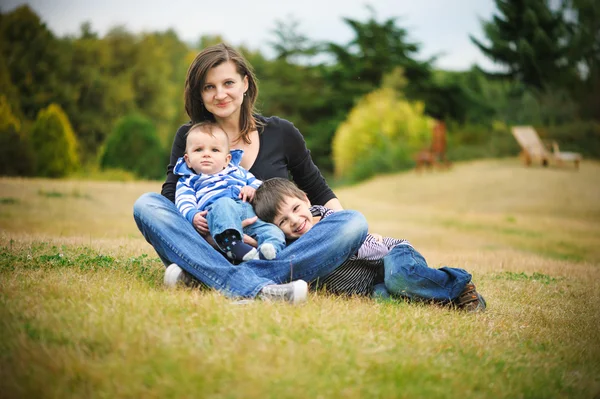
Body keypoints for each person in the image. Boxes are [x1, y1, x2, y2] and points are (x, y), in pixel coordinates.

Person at [133, 43, 368, 304]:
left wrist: (356, 236)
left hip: (274, 249)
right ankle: (260, 287)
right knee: (147, 205)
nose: (220, 94)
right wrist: (213, 233)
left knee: (353, 222)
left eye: (228, 83)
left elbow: (318, 190)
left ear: (245, 84)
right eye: (209, 87)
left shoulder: (282, 132)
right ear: (200, 94)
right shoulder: (191, 137)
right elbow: (171, 198)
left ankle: (210, 278)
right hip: (209, 245)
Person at [252, 178, 487, 312]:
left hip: (392, 258)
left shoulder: (330, 222)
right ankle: (456, 302)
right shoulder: (296, 252)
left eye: (295, 209)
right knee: (383, 297)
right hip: (371, 286)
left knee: (399, 278)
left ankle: (459, 282)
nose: (295, 221)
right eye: (283, 221)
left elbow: (370, 247)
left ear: (305, 199)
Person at [175, 121, 285, 262]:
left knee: (271, 230)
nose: (206, 154)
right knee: (224, 203)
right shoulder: (188, 180)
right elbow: (183, 201)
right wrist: (193, 215)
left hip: (248, 213)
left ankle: (269, 250)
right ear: (188, 160)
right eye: (198, 150)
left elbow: (261, 187)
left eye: (214, 150)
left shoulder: (238, 171)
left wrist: (252, 189)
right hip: (218, 215)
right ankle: (233, 246)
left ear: (227, 159)